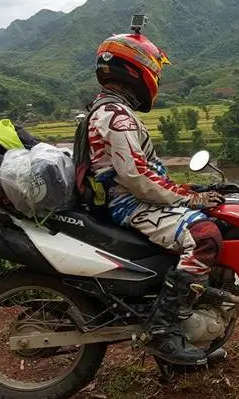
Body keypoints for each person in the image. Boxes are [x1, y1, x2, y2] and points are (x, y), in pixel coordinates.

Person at [82, 32, 225, 366]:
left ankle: (194, 335)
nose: (155, 78)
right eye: (153, 70)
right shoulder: (115, 116)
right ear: (136, 70)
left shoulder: (108, 110)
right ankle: (165, 332)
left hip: (133, 199)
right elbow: (135, 177)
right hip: (130, 204)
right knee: (206, 237)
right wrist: (188, 199)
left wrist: (189, 189)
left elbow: (142, 172)